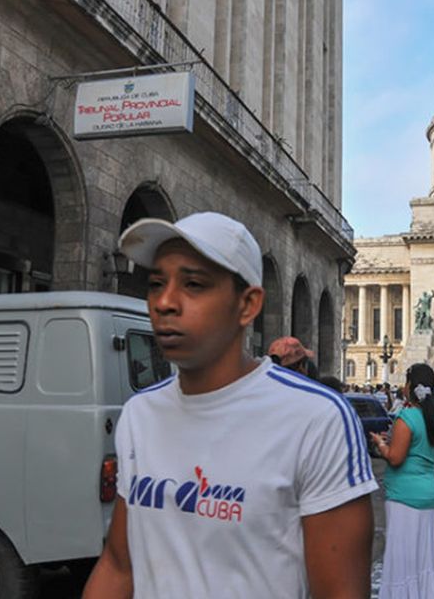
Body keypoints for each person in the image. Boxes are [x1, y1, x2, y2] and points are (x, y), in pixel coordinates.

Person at [82, 212, 378, 599]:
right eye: (156, 284)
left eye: (193, 284)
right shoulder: (140, 414)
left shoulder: (316, 418)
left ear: (248, 305)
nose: (165, 302)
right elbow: (119, 565)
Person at [369, 363, 434, 599]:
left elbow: (395, 458)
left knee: (401, 557)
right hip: (429, 492)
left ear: (409, 386)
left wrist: (381, 444)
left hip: (404, 495)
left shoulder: (407, 417)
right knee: (422, 556)